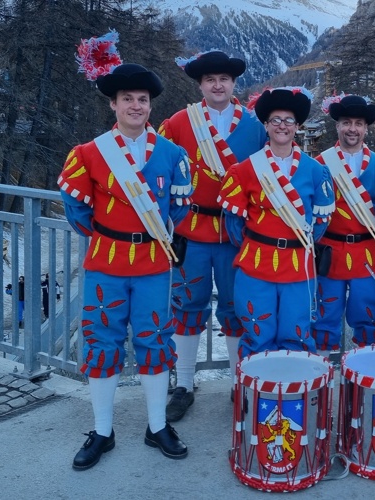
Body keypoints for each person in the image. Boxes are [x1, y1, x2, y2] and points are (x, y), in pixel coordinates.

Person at [58, 32, 194, 471]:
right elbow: (75, 209)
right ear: (113, 105)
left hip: (154, 264)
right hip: (106, 264)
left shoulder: (173, 155)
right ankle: (102, 431)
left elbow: (180, 207)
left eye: (142, 99)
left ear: (150, 105)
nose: (136, 105)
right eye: (127, 99)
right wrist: (111, 234)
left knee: (154, 340)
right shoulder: (87, 154)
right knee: (102, 341)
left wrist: (144, 235)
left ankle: (157, 427)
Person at [158, 51, 267, 421]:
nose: (217, 85)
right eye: (210, 80)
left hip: (239, 232)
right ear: (200, 85)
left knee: (238, 308)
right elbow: (160, 171)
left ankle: (240, 383)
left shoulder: (256, 125)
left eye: (224, 78)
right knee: (187, 306)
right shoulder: (176, 124)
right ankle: (184, 384)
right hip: (193, 229)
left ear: (234, 83)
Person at [217, 87, 335, 357]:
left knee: (296, 334)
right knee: (257, 334)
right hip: (256, 263)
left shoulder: (316, 171)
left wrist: (296, 243)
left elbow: (319, 223)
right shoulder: (244, 170)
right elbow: (235, 223)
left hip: (298, 265)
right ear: (266, 126)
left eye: (289, 120)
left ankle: (293, 398)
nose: (282, 126)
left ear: (298, 127)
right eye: (275, 120)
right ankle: (256, 397)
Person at [312, 94, 375, 355]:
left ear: (366, 128)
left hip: (368, 252)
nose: (352, 129)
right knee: (325, 316)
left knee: (369, 316)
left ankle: (364, 384)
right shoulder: (318, 165)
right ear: (337, 126)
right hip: (329, 252)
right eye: (346, 122)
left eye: (358, 123)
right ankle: (323, 383)